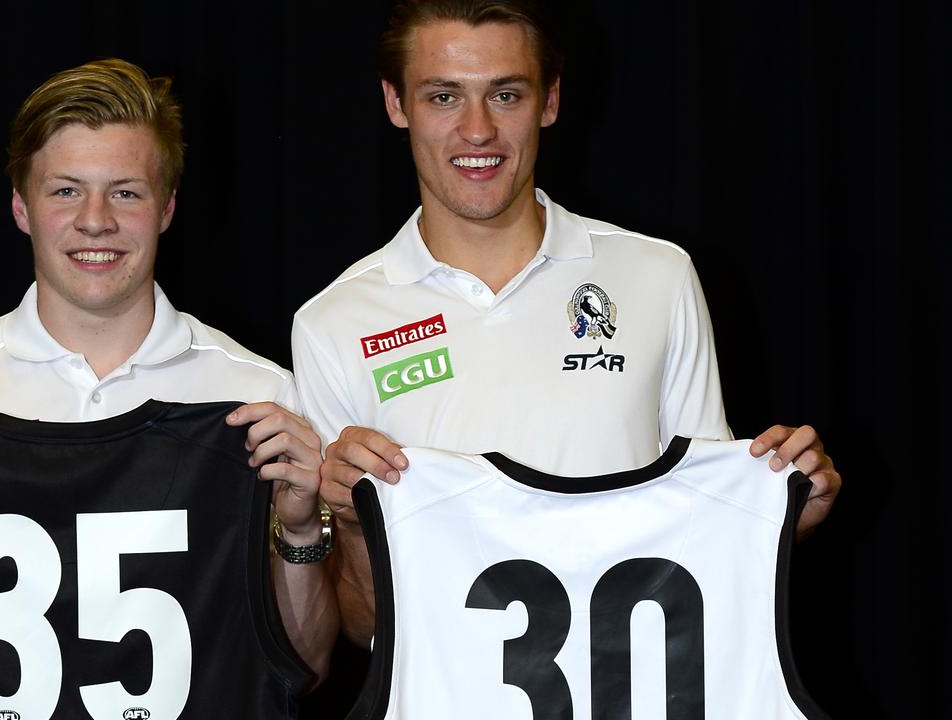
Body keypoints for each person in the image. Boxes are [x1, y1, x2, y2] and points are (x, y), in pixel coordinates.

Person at [291, 0, 842, 648]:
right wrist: (355, 531)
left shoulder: (656, 277)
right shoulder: (333, 323)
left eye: (506, 94)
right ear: (395, 103)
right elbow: (370, 634)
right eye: (443, 96)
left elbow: (707, 550)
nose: (477, 130)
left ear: (549, 101)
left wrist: (781, 520)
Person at [0, 58, 337, 693]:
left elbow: (300, 671)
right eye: (65, 190)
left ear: (166, 207)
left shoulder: (258, 399)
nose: (95, 220)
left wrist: (301, 531)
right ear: (21, 207)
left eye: (126, 192)